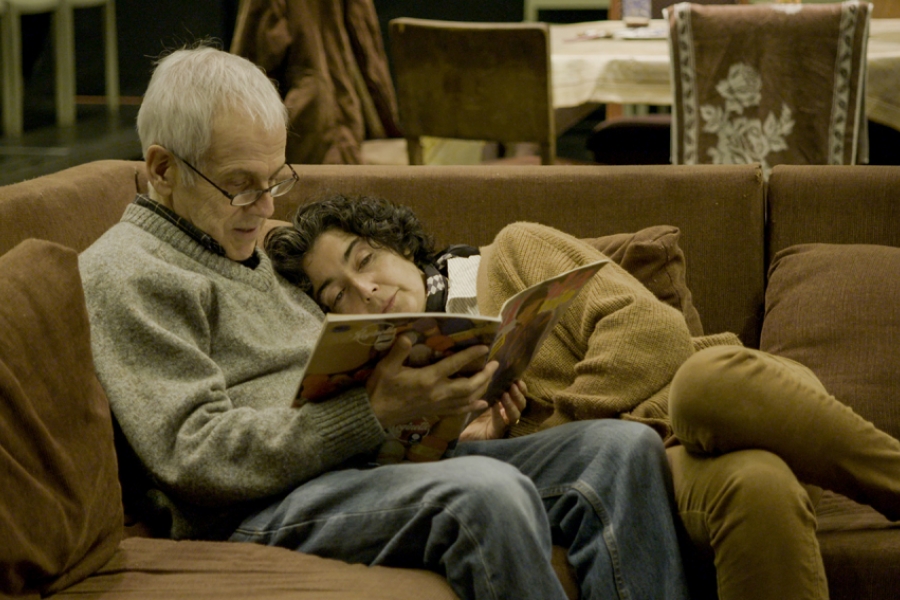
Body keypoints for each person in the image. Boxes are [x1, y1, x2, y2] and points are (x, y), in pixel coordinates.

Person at [77, 44, 692, 600]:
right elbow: (193, 457)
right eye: (240, 186)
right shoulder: (126, 272)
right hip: (257, 506)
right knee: (484, 495)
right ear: (162, 169)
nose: (264, 209)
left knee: (621, 449)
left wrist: (437, 411)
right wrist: (372, 412)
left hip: (358, 471)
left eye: (275, 181)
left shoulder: (242, 247)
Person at [265, 193, 900, 600]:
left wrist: (566, 424)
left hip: (744, 406)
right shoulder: (388, 385)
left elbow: (652, 334)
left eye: (365, 258)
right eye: (336, 293)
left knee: (705, 387)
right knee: (758, 488)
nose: (365, 290)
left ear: (398, 244)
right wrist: (478, 445)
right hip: (667, 466)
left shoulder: (509, 255)